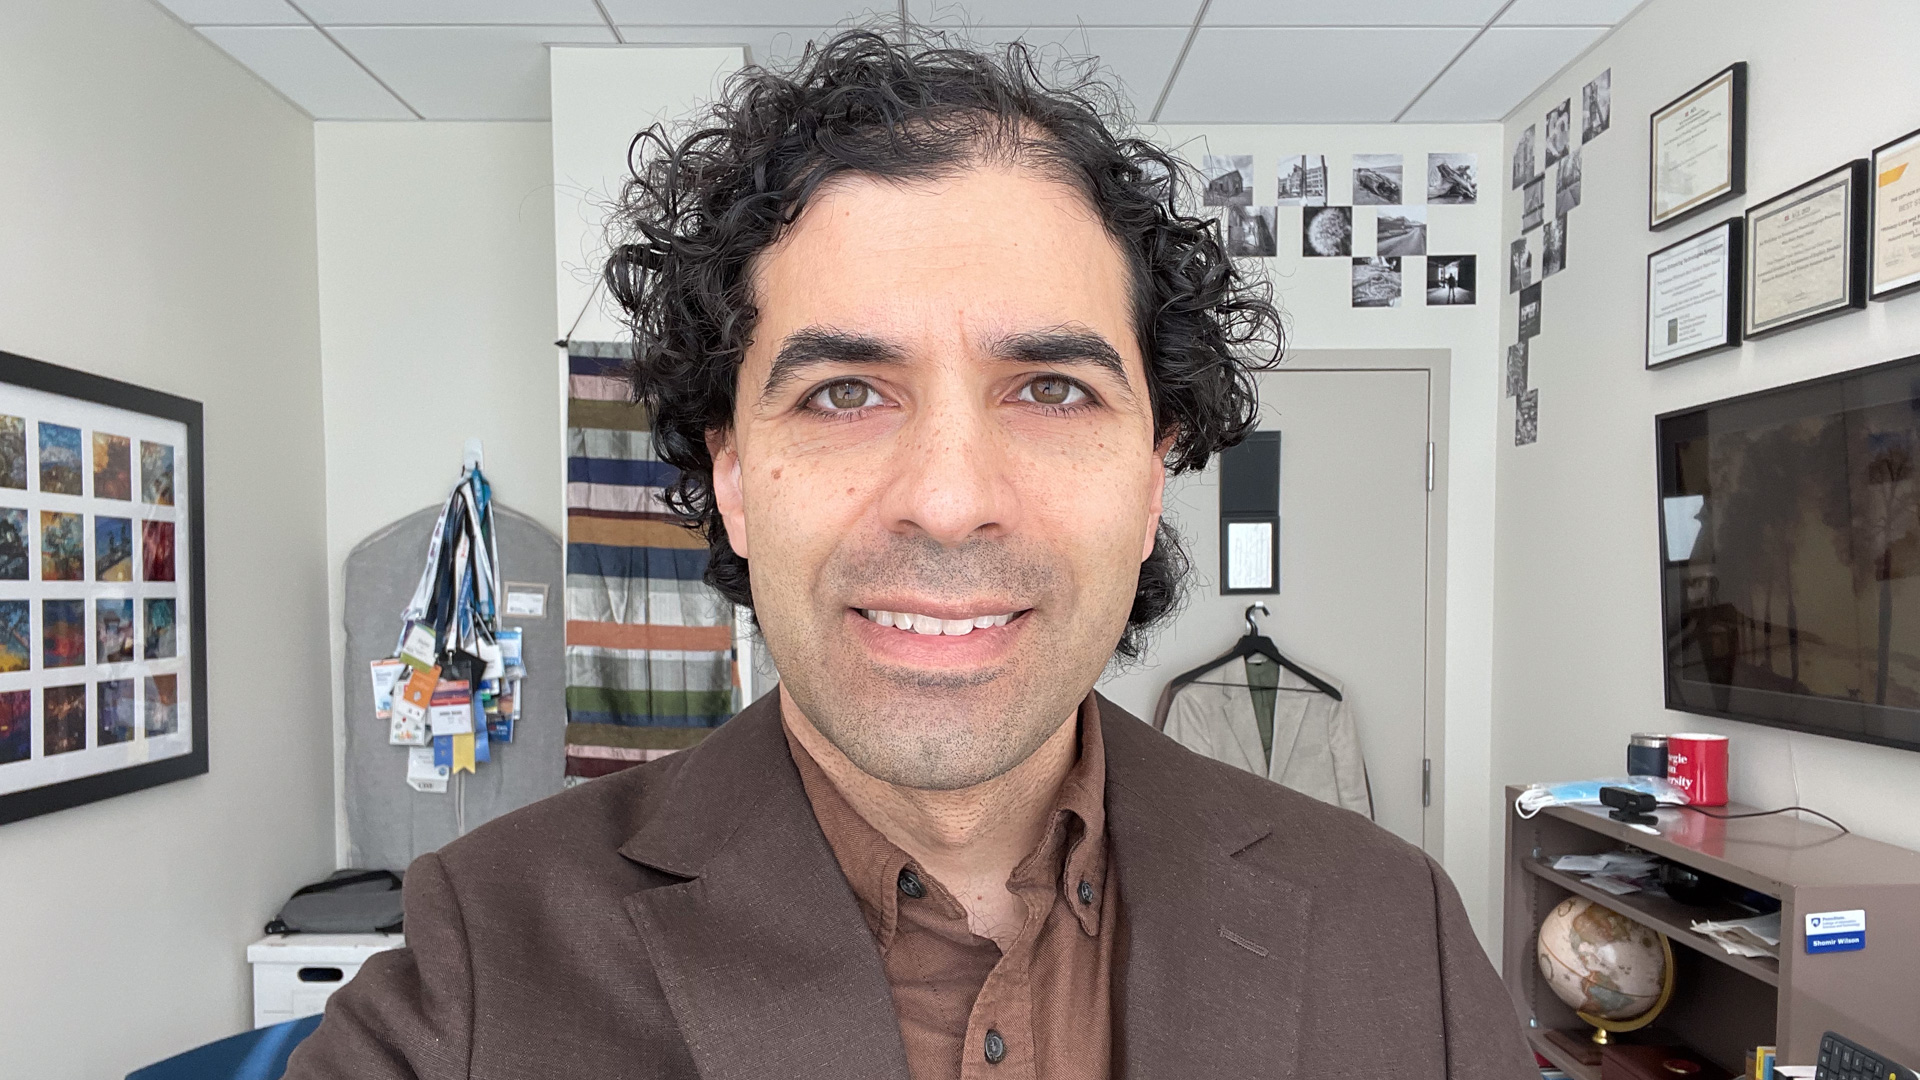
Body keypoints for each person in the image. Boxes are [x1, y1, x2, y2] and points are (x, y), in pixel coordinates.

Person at [286, 28, 1533, 1080]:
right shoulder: (475, 972)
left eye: (1049, 389)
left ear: (1156, 475)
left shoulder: (1398, 932)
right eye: (841, 392)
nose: (947, 501)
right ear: (730, 475)